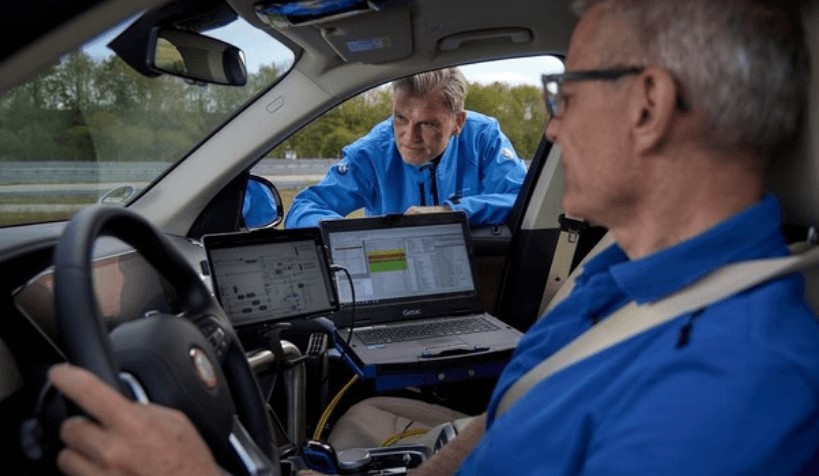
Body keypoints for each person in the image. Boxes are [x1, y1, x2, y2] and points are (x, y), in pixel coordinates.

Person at [48, 0, 819, 475]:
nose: (552, 124)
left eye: (565, 91)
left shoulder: (740, 390)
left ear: (646, 106)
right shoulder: (619, 267)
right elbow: (503, 423)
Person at [283, 67, 527, 228]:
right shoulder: (372, 153)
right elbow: (304, 208)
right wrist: (352, 237)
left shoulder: (483, 138)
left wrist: (451, 212)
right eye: (400, 119)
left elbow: (522, 200)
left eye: (427, 124)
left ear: (457, 123)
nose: (409, 137)